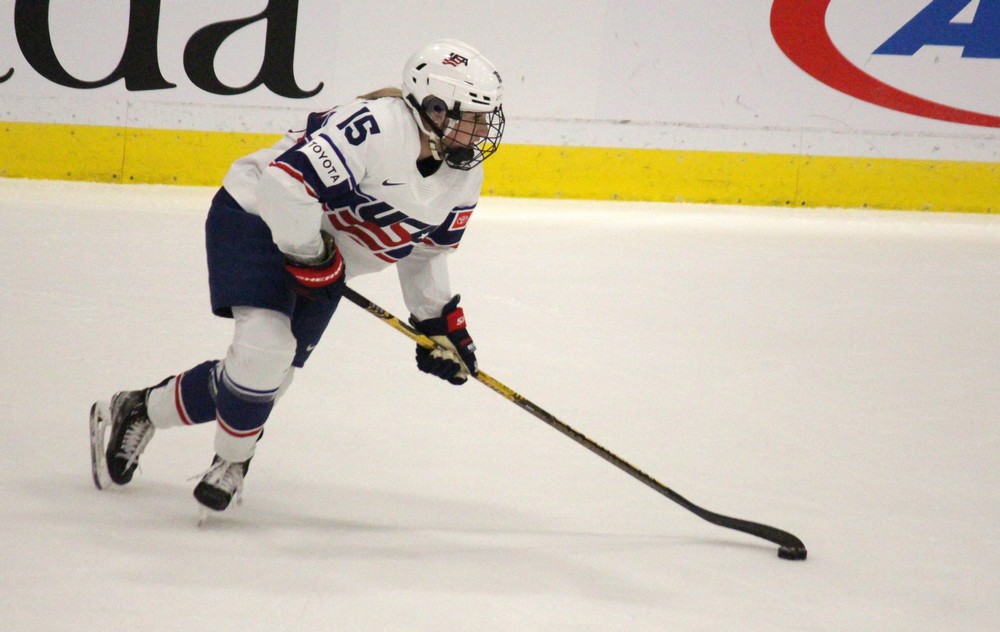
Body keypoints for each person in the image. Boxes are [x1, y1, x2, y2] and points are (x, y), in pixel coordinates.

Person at [88, 39, 505, 515]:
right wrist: (311, 258)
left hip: (322, 258)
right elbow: (285, 185)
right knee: (265, 350)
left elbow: (425, 251)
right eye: (471, 117)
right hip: (258, 216)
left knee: (268, 375)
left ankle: (141, 408)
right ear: (432, 108)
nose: (480, 131)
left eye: (484, 118)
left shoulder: (464, 177)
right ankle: (232, 461)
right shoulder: (377, 128)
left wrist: (439, 325)